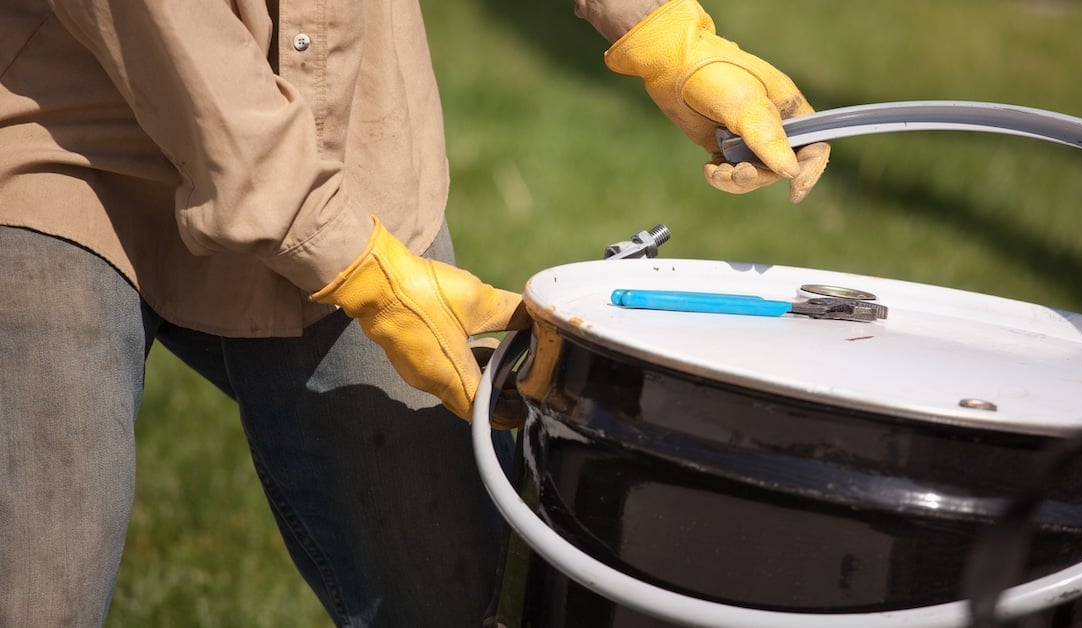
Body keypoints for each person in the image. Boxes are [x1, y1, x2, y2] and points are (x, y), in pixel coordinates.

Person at [0, 0, 829, 625]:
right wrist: (360, 267)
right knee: (39, 586)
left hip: (347, 132)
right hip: (62, 140)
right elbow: (168, 38)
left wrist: (660, 31)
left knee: (448, 591)